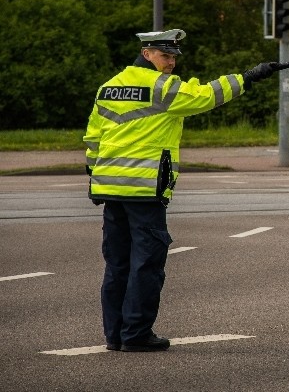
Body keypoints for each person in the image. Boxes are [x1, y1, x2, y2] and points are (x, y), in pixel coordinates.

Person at [83, 29, 276, 352]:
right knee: (146, 263)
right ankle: (137, 334)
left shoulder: (110, 86)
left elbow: (93, 136)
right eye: (165, 56)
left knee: (118, 264)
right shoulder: (162, 87)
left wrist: (95, 173)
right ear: (147, 54)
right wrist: (247, 77)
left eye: (173, 56)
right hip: (145, 189)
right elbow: (204, 96)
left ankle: (115, 335)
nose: (171, 62)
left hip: (110, 187)